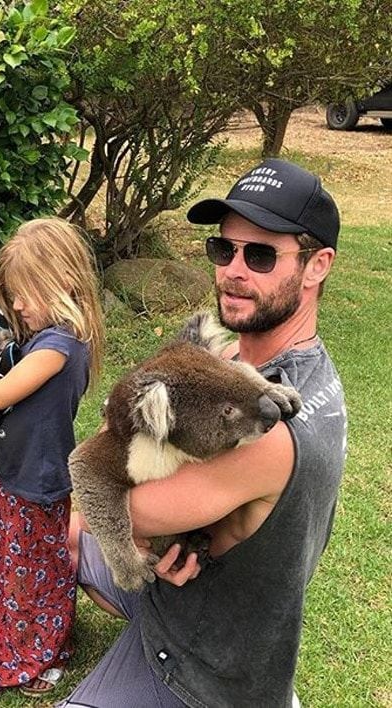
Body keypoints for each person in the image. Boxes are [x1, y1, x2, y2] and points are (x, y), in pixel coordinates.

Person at [58, 158, 347, 708]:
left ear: (317, 265)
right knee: (68, 541)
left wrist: (119, 502)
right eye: (224, 249)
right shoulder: (264, 363)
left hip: (206, 663)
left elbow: (94, 497)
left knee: (73, 526)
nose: (234, 270)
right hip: (191, 592)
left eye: (261, 254)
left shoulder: (270, 438)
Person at [0, 218, 105, 700]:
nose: (16, 304)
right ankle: (31, 638)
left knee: (32, 571)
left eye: (26, 293)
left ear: (65, 283)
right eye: (13, 293)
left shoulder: (59, 346)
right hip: (19, 474)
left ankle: (34, 654)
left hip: (35, 481)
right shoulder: (49, 336)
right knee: (21, 564)